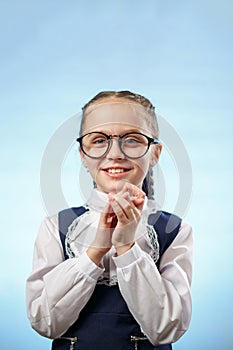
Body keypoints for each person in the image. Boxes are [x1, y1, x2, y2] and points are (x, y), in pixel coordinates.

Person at [26, 91, 193, 350]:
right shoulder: (55, 227)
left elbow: (166, 329)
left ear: (155, 153)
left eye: (133, 140)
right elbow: (45, 323)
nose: (115, 154)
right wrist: (95, 251)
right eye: (99, 140)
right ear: (83, 153)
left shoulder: (175, 231)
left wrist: (127, 247)